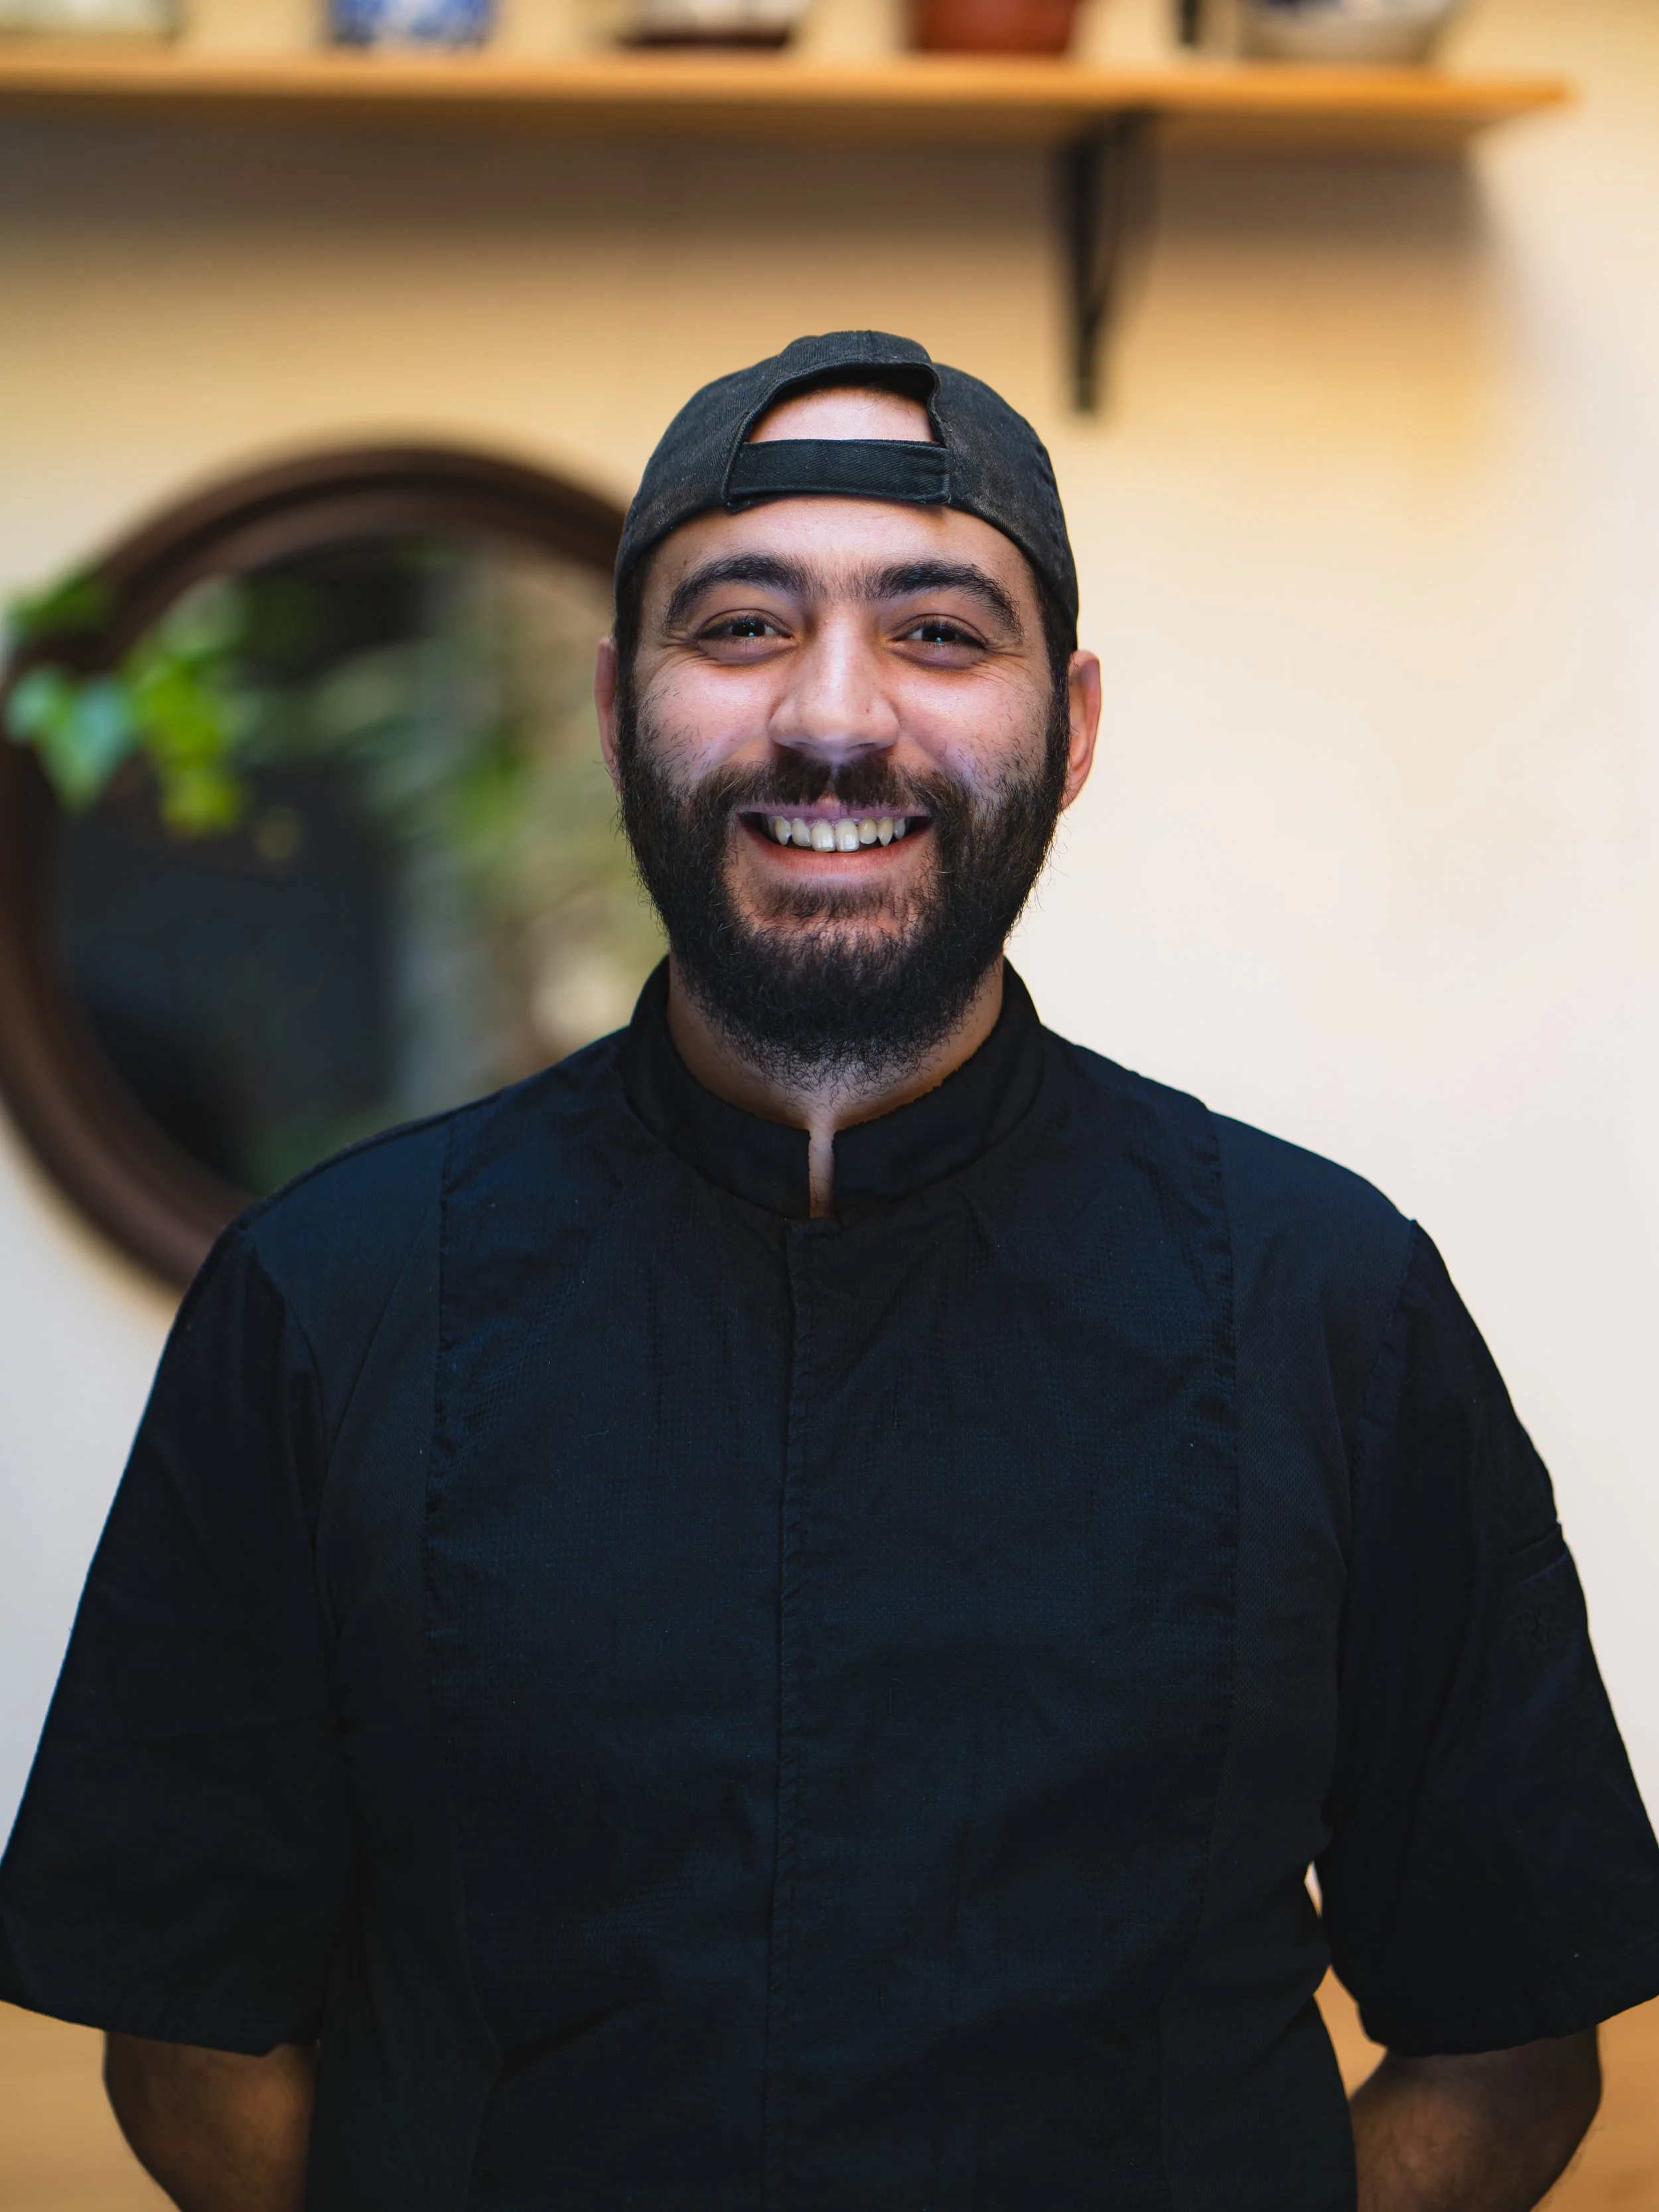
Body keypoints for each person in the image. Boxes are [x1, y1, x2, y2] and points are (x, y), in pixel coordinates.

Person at [3, 329, 1657, 2212]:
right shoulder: (322, 1303)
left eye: (941, 632)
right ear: (624, 703)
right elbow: (189, 2032)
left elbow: (1505, 2039)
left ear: (1077, 725)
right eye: (741, 626)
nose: (834, 715)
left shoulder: (1327, 1305)